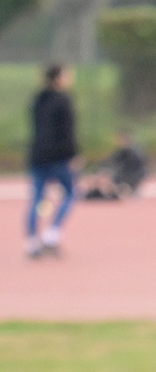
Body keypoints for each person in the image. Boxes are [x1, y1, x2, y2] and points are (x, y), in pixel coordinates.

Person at [25, 62, 78, 257]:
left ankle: (31, 241)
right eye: (66, 74)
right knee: (71, 193)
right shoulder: (64, 100)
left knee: (37, 199)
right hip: (58, 157)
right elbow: (67, 132)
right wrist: (72, 155)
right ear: (58, 78)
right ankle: (51, 234)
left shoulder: (38, 99)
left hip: (37, 155)